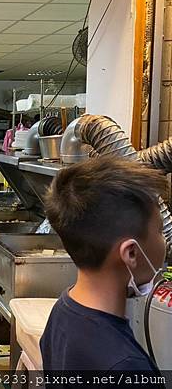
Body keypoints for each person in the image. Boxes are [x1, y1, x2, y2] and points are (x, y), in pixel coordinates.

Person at [40, 157, 165, 378]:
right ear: (131, 253)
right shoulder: (127, 368)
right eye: (160, 230)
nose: (165, 241)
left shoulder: (63, 309)